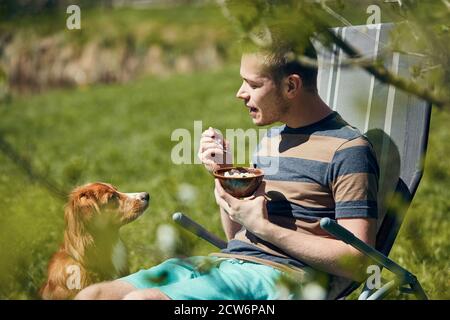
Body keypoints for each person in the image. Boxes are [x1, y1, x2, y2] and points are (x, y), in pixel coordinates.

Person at [75, 43, 379, 300]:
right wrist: (224, 175)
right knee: (93, 295)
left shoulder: (348, 150)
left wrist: (267, 229)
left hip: (281, 279)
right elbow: (236, 235)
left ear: (291, 86)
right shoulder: (273, 139)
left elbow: (358, 260)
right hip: (229, 262)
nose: (240, 93)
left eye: (254, 84)